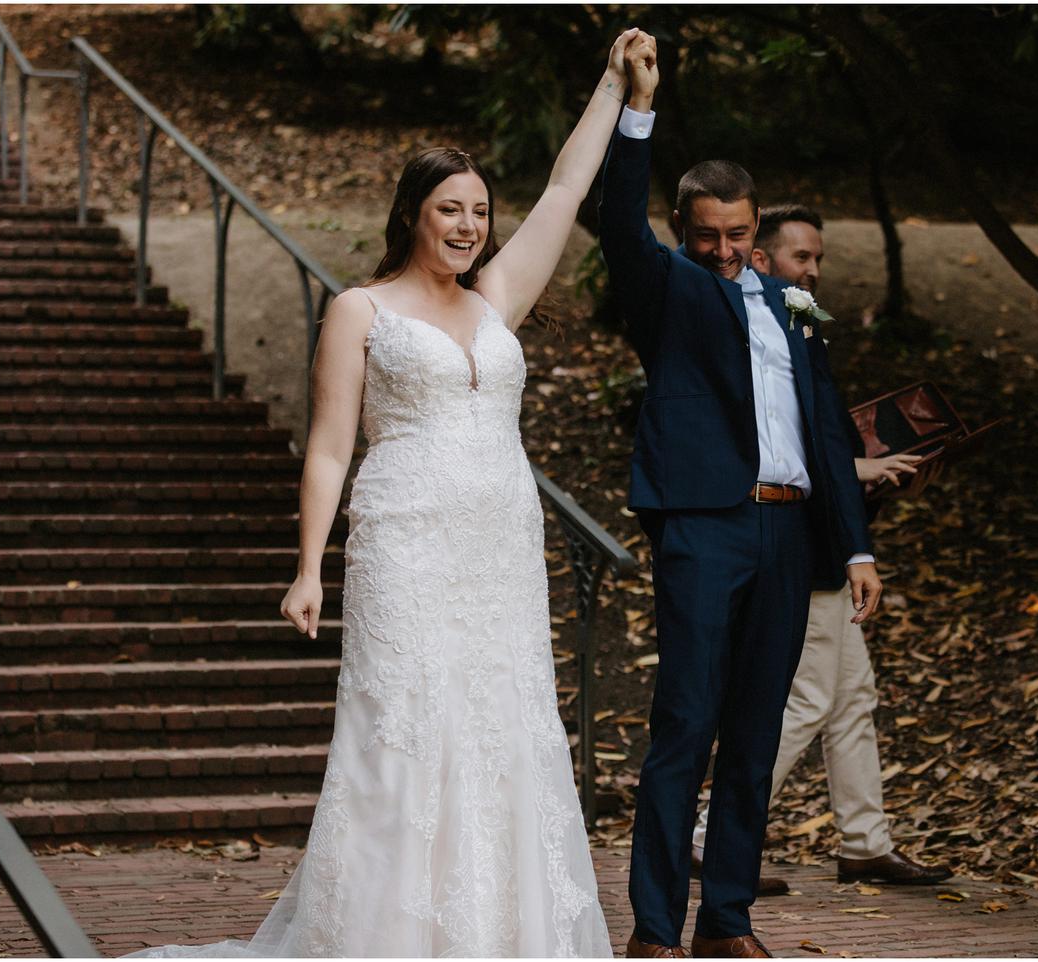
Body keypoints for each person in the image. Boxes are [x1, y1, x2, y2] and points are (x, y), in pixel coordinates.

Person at [127, 28, 652, 959]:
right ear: (413, 213)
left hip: (499, 552)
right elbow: (329, 447)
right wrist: (308, 569)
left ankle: (500, 935)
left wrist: (616, 87)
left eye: (480, 212)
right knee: (403, 731)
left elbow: (569, 190)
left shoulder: (498, 301)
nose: (468, 226)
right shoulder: (360, 312)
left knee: (503, 730)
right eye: (449, 209)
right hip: (403, 549)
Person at [601, 45, 882, 960]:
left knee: (756, 735)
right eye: (708, 233)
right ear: (686, 228)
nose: (725, 249)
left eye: (738, 234)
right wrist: (637, 111)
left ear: (757, 228)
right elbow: (617, 224)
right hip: (706, 527)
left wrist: (856, 548)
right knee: (684, 723)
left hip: (790, 532)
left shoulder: (793, 302)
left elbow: (828, 436)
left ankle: (727, 920)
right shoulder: (672, 290)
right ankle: (654, 928)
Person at [689, 205, 953, 889]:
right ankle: (712, 837)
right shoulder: (749, 330)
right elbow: (771, 439)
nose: (814, 270)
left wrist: (857, 474)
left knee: (852, 696)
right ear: (761, 260)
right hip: (794, 545)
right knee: (806, 697)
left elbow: (823, 428)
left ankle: (865, 842)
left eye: (818, 259)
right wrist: (854, 471)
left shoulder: (799, 324)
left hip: (826, 539)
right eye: (801, 257)